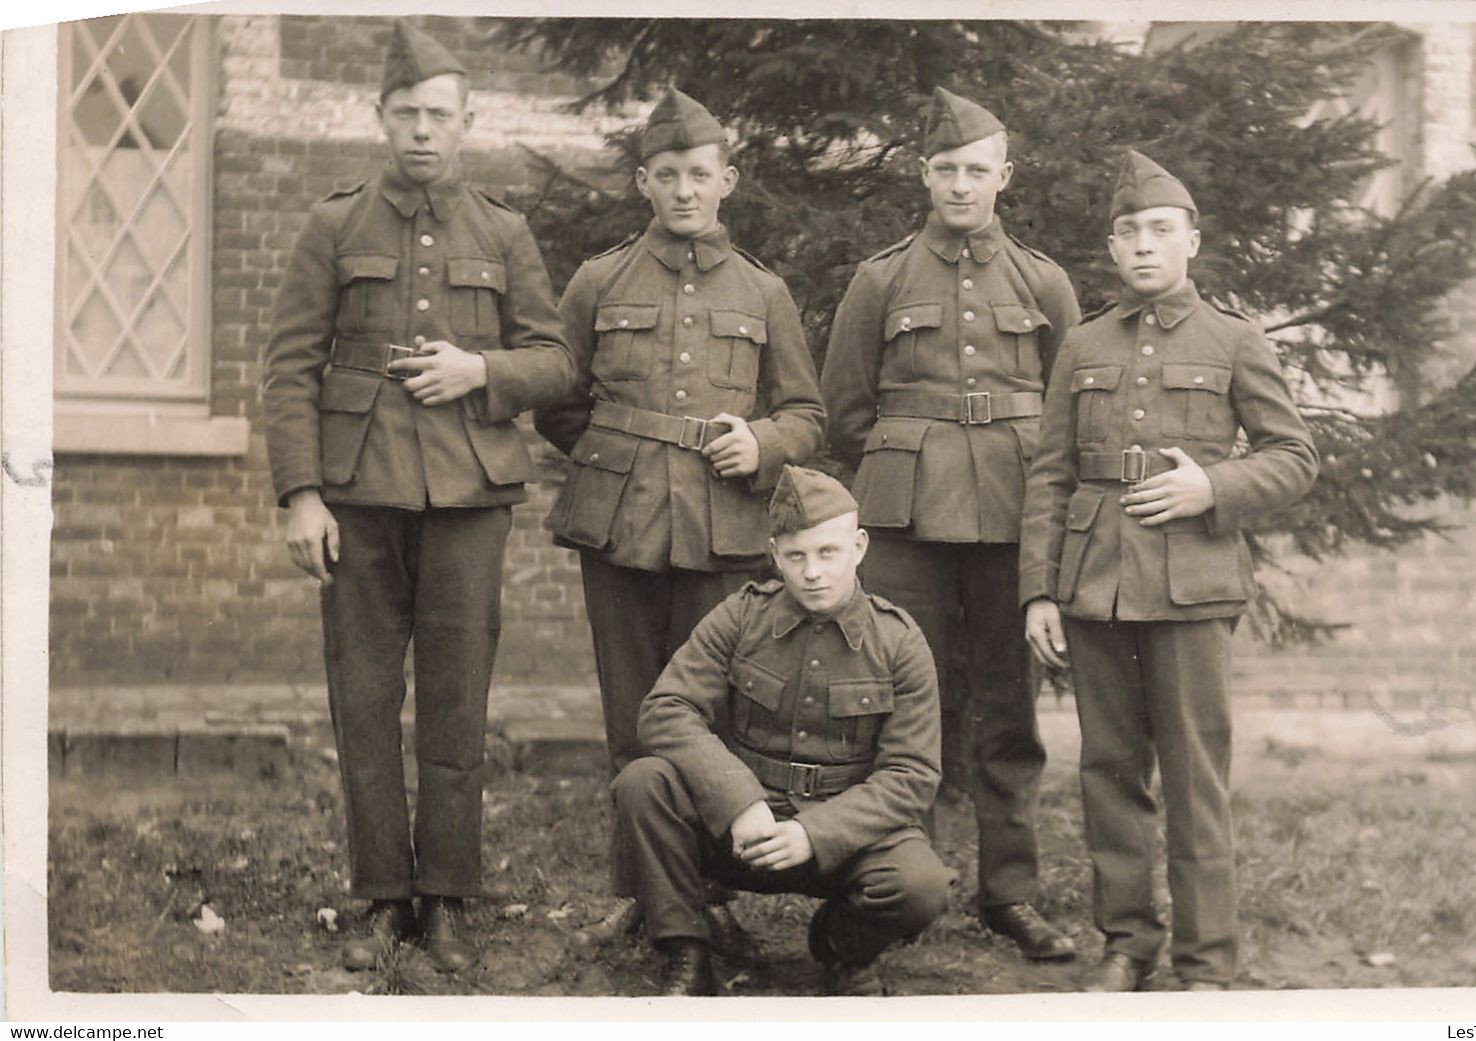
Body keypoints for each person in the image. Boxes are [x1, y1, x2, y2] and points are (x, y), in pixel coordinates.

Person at [261, 20, 576, 974]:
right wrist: (300, 494)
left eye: (440, 116)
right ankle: (380, 898)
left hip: (470, 497)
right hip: (357, 494)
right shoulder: (334, 225)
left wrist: (480, 367)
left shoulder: (504, 231)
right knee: (362, 697)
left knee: (455, 699)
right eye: (406, 115)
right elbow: (289, 368)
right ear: (381, 118)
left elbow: (557, 361)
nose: (423, 132)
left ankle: (445, 896)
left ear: (465, 121)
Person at [1020, 150, 1319, 991]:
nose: (1143, 246)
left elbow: (1294, 457)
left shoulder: (1234, 339)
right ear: (1112, 250)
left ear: (1191, 239)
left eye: (1159, 230)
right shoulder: (1081, 343)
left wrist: (1209, 486)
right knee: (1109, 774)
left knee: (1194, 780)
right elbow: (1049, 474)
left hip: (1191, 588)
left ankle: (1206, 961)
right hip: (1094, 586)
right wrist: (1039, 590)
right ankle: (1127, 941)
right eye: (1127, 233)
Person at [820, 86, 1081, 962]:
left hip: (1010, 522)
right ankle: (905, 880)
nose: (961, 185)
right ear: (920, 173)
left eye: (977, 170)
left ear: (1004, 176)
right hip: (905, 527)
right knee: (902, 708)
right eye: (945, 170)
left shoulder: (1043, 280)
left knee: (1008, 713)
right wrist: (917, 464)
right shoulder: (881, 277)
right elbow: (846, 411)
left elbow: (1067, 411)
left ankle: (1010, 892)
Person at [535, 88, 825, 776]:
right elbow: (556, 398)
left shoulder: (762, 292)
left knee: (713, 702)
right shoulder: (597, 279)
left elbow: (807, 415)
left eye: (699, 174)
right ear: (643, 183)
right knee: (629, 705)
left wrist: (762, 445)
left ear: (726, 180)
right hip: (617, 524)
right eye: (666, 175)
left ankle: (713, 869)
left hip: (722, 521)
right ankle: (646, 871)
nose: (684, 191)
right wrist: (617, 460)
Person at [612, 466, 953, 996]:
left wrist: (816, 834)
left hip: (846, 836)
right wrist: (738, 800)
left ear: (858, 547)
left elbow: (910, 775)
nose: (812, 572)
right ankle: (688, 952)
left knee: (920, 884)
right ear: (775, 554)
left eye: (827, 553)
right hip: (744, 828)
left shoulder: (900, 642)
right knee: (644, 783)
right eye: (796, 556)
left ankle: (841, 950)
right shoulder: (741, 616)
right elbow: (666, 707)